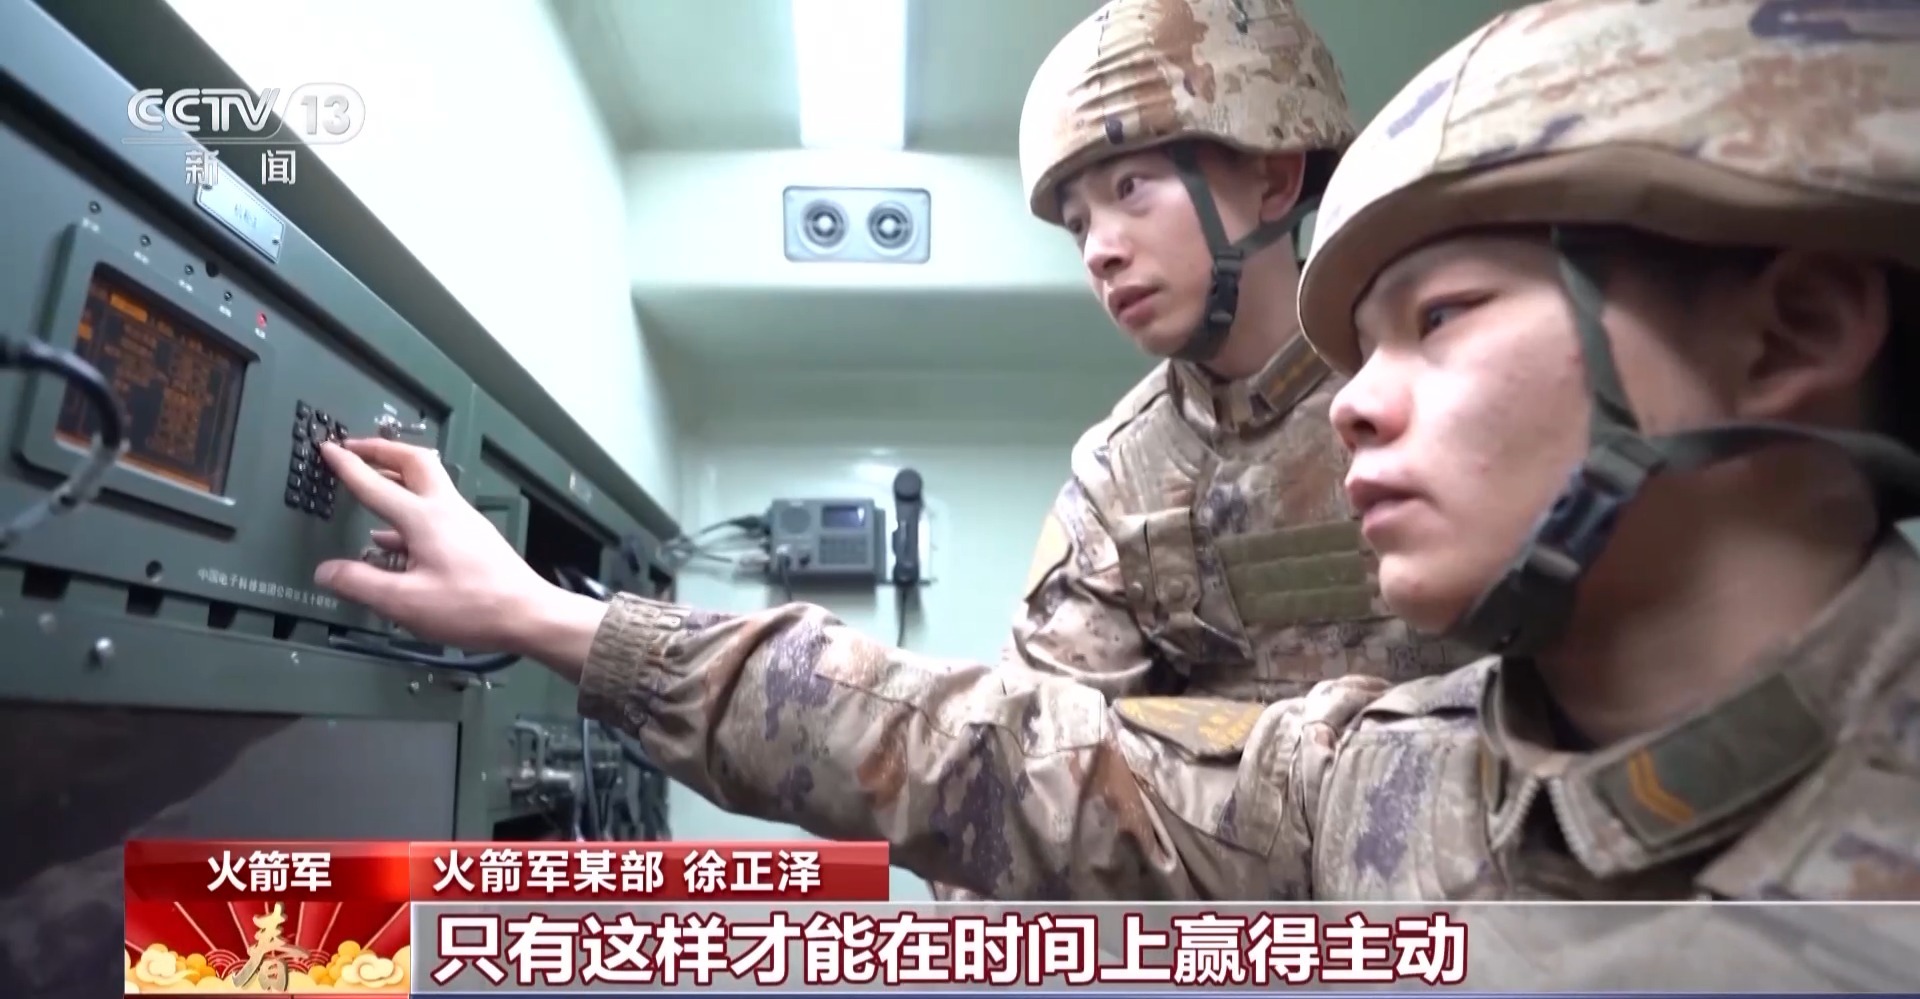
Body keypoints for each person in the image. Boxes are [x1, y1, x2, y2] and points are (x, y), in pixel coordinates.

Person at [312, 0, 1920, 907]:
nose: (1364, 402)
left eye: (1440, 321)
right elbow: (1020, 756)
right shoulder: (1387, 784)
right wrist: (555, 618)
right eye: (1071, 214)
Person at [1002, 0, 1468, 711]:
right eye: (1078, 224)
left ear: (1274, 182)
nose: (1099, 250)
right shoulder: (1119, 477)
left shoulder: (1445, 378)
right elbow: (1038, 739)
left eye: (1130, 188)